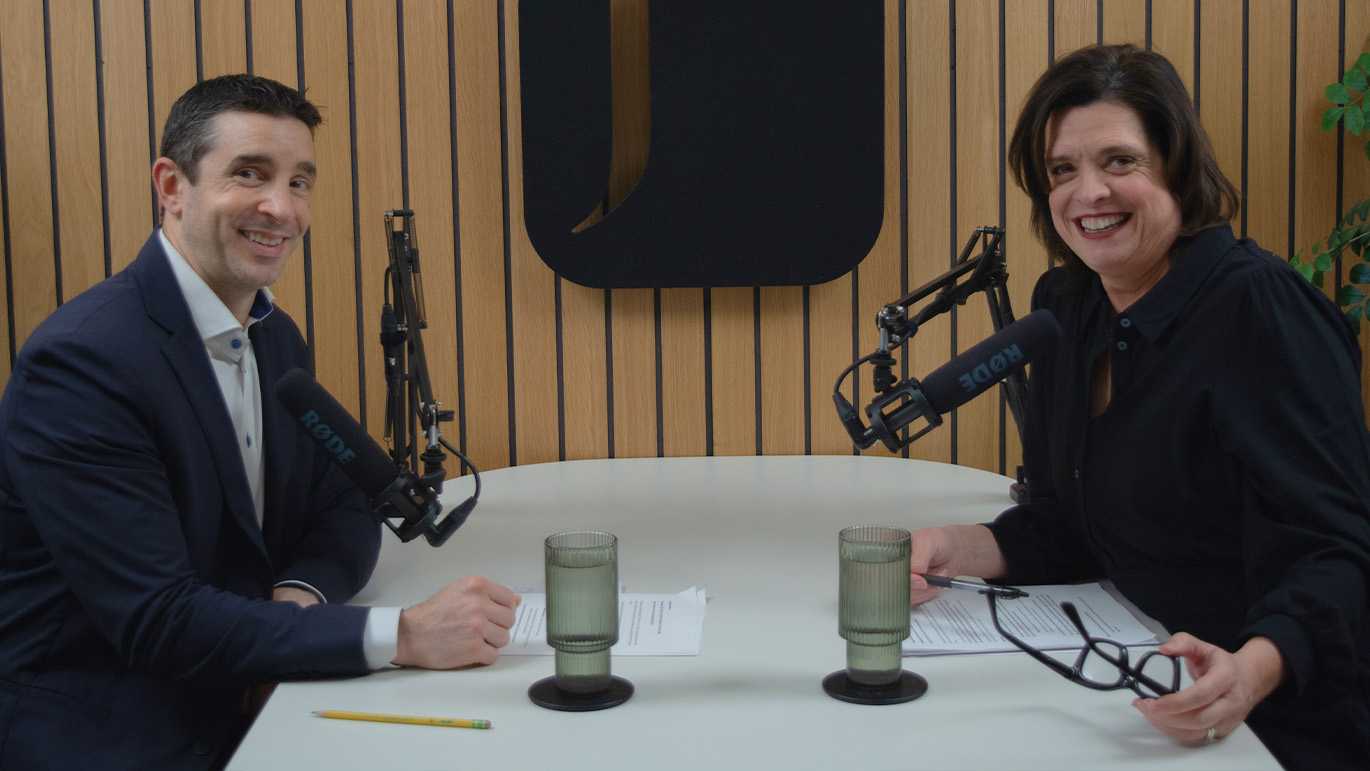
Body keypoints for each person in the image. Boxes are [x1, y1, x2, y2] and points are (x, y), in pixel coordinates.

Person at [0, 75, 519, 770]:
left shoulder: (276, 338)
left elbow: (343, 505)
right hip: (114, 728)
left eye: (300, 182)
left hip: (250, 690)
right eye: (250, 174)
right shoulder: (84, 364)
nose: (281, 207)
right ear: (172, 185)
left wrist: (297, 597)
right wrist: (404, 633)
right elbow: (159, 622)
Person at [909, 44, 1370, 769]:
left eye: (1119, 161)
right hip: (1128, 687)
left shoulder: (1263, 311)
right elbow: (1070, 523)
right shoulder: (1065, 309)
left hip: (1266, 717)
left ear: (1176, 168)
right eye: (1063, 171)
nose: (1088, 192)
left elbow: (1340, 553)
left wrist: (1251, 669)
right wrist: (949, 547)